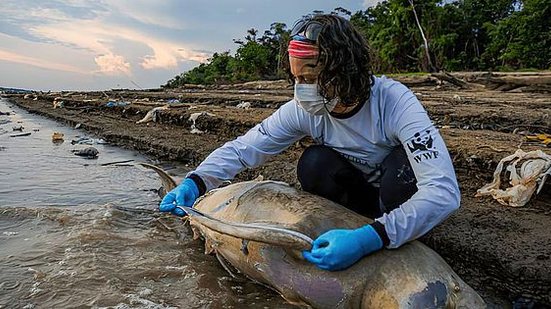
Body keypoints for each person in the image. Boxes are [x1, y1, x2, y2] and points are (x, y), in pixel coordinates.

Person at [160, 14, 460, 271]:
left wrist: (371, 237)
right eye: (297, 80)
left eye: (312, 77)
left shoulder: (395, 103)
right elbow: (246, 148)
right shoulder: (304, 110)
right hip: (358, 197)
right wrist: (196, 182)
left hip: (395, 195)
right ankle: (349, 230)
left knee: (403, 167)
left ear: (346, 70)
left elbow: (443, 192)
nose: (304, 90)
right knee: (314, 162)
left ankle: (394, 233)